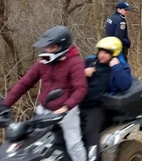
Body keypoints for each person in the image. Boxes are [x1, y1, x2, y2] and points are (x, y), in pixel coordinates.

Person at [0, 26, 88, 161]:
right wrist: (5, 104)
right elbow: (25, 82)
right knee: (32, 143)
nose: (48, 50)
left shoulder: (75, 62)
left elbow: (80, 88)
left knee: (74, 144)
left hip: (66, 110)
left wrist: (65, 108)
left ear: (62, 46)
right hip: (44, 108)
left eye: (52, 47)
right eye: (47, 47)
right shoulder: (44, 61)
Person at [81, 37, 132, 161]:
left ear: (114, 54)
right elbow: (71, 75)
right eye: (100, 51)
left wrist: (116, 67)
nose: (101, 55)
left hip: (98, 107)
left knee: (90, 133)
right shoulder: (90, 62)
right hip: (79, 104)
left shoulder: (119, 66)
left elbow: (125, 84)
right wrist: (82, 72)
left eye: (106, 53)